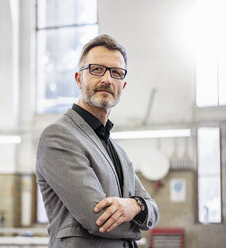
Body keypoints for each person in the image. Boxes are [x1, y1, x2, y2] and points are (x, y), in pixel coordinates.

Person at [36, 34, 159, 248]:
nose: (107, 79)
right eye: (97, 69)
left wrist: (135, 205)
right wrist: (138, 225)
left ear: (123, 84)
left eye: (116, 73)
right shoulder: (58, 135)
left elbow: (153, 209)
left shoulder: (117, 151)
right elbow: (98, 220)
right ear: (78, 79)